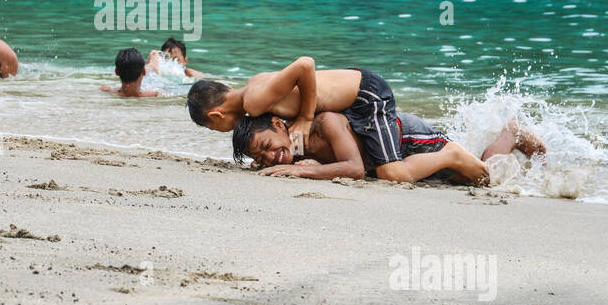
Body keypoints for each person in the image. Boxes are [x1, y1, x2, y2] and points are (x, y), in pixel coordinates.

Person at [190, 60, 476, 184]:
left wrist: (304, 116)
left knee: (393, 174)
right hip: (353, 100)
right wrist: (266, 158)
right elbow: (281, 136)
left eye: (213, 127)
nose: (221, 131)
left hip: (367, 94)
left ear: (216, 116)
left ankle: (451, 154)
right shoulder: (254, 90)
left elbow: (305, 64)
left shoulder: (253, 101)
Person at [232, 110, 545, 184]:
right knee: (460, 179)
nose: (269, 156)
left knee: (481, 177)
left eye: (266, 147)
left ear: (277, 125)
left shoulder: (324, 123)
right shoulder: (292, 147)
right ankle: (509, 140)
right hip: (391, 154)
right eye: (260, 157)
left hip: (405, 135)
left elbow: (353, 168)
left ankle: (511, 133)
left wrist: (302, 172)